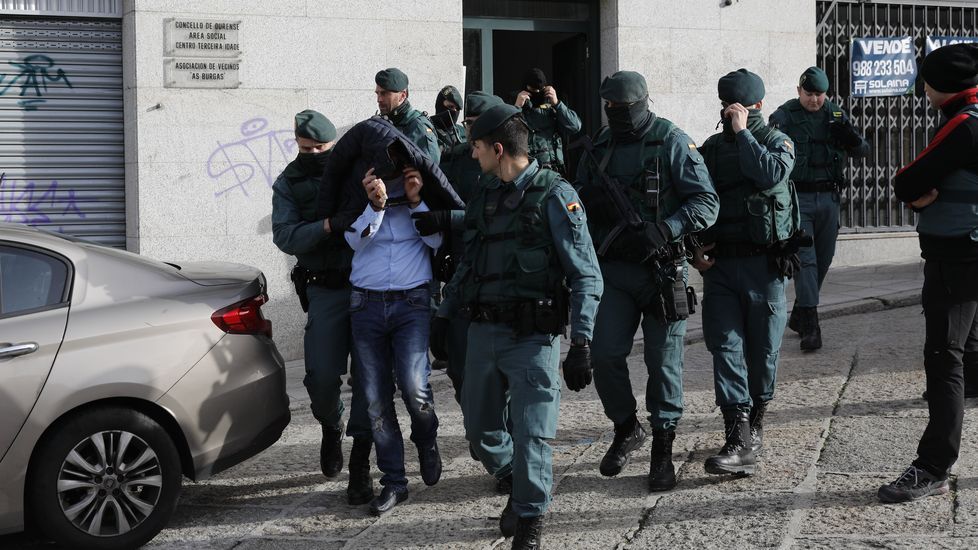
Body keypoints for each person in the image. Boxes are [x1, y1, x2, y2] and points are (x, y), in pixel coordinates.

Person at [433, 103, 603, 549]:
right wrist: (444, 314)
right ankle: (513, 477)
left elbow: (586, 273)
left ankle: (529, 521)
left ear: (498, 147)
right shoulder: (487, 195)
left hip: (531, 337)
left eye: (476, 148)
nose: (472, 156)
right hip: (482, 332)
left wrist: (581, 341)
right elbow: (468, 264)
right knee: (479, 431)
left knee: (532, 435)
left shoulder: (555, 195)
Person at [575, 71, 719, 491]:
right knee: (603, 354)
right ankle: (626, 427)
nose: (619, 116)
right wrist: (590, 200)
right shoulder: (599, 147)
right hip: (614, 271)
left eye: (626, 109)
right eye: (612, 110)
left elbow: (707, 203)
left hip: (662, 271)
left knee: (663, 364)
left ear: (644, 103)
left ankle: (663, 444)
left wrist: (669, 228)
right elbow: (576, 204)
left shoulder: (672, 141)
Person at [877, 43, 978, 503]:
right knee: (970, 350)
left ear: (942, 86)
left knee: (943, 359)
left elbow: (907, 181)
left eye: (927, 82)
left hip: (960, 258)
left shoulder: (963, 126)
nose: (924, 90)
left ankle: (933, 465)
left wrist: (918, 194)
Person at [341, 133, 457, 517]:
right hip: (366, 304)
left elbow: (438, 238)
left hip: (411, 302)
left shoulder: (419, 202)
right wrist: (374, 205)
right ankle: (394, 482)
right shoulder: (359, 199)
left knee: (414, 385)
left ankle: (426, 437)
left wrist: (414, 199)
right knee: (375, 399)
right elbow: (355, 241)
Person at [692, 69, 799, 477]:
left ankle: (756, 420)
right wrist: (693, 250)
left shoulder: (777, 140)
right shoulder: (710, 149)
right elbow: (694, 197)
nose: (729, 112)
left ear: (756, 106)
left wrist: (744, 134)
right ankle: (737, 433)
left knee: (763, 351)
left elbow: (770, 174)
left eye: (736, 106)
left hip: (764, 266)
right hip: (720, 267)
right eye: (725, 106)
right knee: (725, 346)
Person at [270, 109, 374, 506]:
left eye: (321, 148)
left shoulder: (355, 171)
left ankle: (361, 462)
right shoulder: (289, 182)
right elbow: (285, 235)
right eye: (306, 147)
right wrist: (329, 226)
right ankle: (331, 426)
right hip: (326, 290)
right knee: (321, 378)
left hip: (366, 286)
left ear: (335, 144)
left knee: (369, 380)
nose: (313, 153)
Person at [769, 66, 870, 351]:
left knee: (824, 259)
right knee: (807, 261)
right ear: (799, 91)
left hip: (829, 198)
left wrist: (850, 137)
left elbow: (862, 150)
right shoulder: (784, 116)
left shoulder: (835, 114)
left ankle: (801, 312)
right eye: (809, 94)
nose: (815, 100)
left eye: (820, 94)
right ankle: (811, 324)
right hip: (799, 200)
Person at [416, 91, 506, 406]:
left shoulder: (512, 161)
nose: (470, 131)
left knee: (502, 366)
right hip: (460, 273)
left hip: (500, 273)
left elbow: (496, 214)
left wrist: (448, 218)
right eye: (467, 123)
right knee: (458, 364)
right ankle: (477, 421)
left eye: (477, 124)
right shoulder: (454, 157)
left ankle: (499, 429)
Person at [516, 68, 582, 176]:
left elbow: (575, 127)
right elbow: (505, 135)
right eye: (532, 89)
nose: (536, 93)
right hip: (528, 174)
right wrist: (517, 107)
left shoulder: (553, 107)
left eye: (540, 90)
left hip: (554, 173)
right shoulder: (517, 107)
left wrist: (557, 103)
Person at [375, 67, 441, 163]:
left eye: (384, 93)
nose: (379, 99)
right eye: (378, 93)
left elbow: (432, 169)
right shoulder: (382, 122)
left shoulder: (418, 126)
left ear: (402, 95)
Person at [432, 84, 466, 158]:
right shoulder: (427, 129)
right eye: (450, 107)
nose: (454, 111)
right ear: (439, 105)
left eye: (457, 109)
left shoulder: (463, 131)